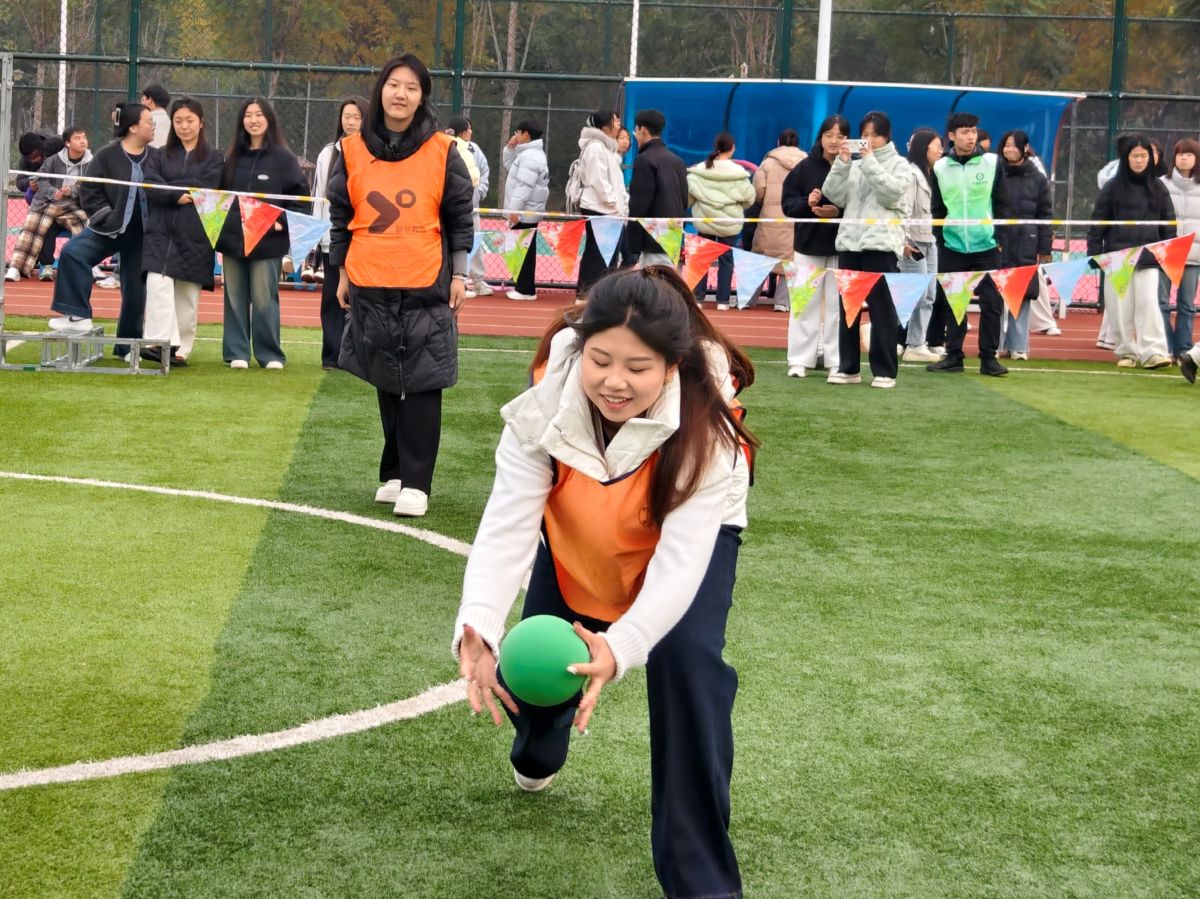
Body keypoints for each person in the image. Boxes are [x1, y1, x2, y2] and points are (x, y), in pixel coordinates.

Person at [454, 265, 757, 899]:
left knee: (688, 665)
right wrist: (478, 620)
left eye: (638, 368)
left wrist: (620, 648)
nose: (615, 382)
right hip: (579, 520)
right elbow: (509, 519)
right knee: (541, 665)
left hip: (684, 534)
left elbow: (680, 564)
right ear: (581, 346)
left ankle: (702, 881)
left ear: (671, 367)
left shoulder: (708, 429)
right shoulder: (544, 403)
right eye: (600, 360)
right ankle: (539, 747)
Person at [329, 53, 474, 518]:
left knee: (423, 378)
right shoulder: (350, 149)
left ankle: (417, 483)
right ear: (381, 90)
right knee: (385, 374)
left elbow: (459, 214)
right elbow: (340, 216)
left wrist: (460, 273)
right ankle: (394, 473)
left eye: (412, 87)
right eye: (394, 84)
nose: (401, 94)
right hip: (369, 278)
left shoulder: (443, 149)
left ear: (422, 96)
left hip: (426, 279)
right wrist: (342, 271)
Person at [48, 102, 157, 356]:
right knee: (72, 252)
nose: (153, 126)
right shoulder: (106, 155)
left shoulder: (157, 157)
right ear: (133, 127)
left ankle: (127, 348)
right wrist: (105, 216)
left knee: (135, 292)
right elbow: (89, 191)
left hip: (143, 235)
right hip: (109, 228)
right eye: (149, 122)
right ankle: (78, 315)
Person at [821, 110, 912, 389]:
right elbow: (833, 195)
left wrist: (869, 162)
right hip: (850, 242)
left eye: (873, 135)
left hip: (880, 244)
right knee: (848, 308)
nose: (867, 141)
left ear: (887, 137)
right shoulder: (855, 164)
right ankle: (848, 367)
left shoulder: (900, 164)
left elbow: (891, 194)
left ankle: (885, 371)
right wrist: (841, 164)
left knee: (881, 309)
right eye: (863, 135)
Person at [215, 97, 307, 370]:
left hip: (268, 243)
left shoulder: (284, 158)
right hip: (233, 240)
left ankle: (270, 354)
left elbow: (301, 199)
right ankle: (237, 352)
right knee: (234, 296)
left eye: (258, 114)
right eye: (248, 115)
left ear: (268, 119)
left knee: (264, 297)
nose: (253, 120)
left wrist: (281, 222)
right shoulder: (232, 157)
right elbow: (219, 197)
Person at [926, 111, 1011, 377]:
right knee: (955, 303)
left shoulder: (992, 162)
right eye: (964, 131)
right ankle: (954, 355)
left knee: (992, 304)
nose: (970, 136)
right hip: (952, 247)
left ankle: (989, 358)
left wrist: (999, 239)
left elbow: (1003, 204)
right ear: (951, 136)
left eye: (973, 131)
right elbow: (937, 209)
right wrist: (941, 239)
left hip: (987, 246)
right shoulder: (940, 167)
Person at [140, 97, 224, 367]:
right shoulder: (158, 154)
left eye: (189, 120)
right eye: (178, 121)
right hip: (160, 231)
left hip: (196, 234)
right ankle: (159, 342)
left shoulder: (215, 157)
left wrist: (170, 185)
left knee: (187, 297)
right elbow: (150, 184)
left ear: (201, 123)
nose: (184, 126)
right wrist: (177, 195)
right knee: (157, 284)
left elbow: (207, 185)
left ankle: (181, 350)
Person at [1086, 134, 1176, 369]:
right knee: (1119, 307)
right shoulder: (1111, 187)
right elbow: (1098, 221)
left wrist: (1169, 252)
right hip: (1116, 257)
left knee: (1149, 302)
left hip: (1149, 256)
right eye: (1134, 156)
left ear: (1151, 158)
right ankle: (1127, 352)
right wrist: (1094, 253)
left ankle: (1153, 352)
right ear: (1126, 158)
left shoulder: (1159, 188)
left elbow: (1168, 223)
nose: (1139, 160)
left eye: (1143, 156)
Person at [779, 114, 847, 378]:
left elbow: (860, 205)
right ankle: (799, 360)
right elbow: (787, 205)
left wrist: (837, 213)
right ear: (821, 137)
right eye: (829, 135)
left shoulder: (854, 167)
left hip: (842, 246)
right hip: (807, 246)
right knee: (804, 304)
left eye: (840, 136)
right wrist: (807, 203)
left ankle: (836, 360)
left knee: (837, 308)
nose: (834, 141)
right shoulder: (804, 167)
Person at [309, 96, 368, 369]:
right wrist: (319, 237)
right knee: (333, 298)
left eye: (357, 117)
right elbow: (319, 197)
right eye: (347, 116)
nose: (351, 122)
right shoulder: (327, 154)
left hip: (365, 239)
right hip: (334, 239)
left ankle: (360, 355)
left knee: (363, 299)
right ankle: (332, 356)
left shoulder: (373, 151)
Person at [6, 126, 92, 282]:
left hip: (70, 202)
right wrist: (30, 183)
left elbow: (90, 187)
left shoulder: (58, 147)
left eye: (36, 156)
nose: (34, 161)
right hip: (44, 199)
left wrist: (72, 190)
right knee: (32, 225)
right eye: (78, 138)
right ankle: (17, 266)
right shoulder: (31, 159)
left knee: (85, 224)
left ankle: (89, 266)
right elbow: (26, 180)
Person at [996, 129, 1052, 361]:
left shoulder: (1038, 178)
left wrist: (1045, 248)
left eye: (1013, 145)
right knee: (996, 296)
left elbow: (1045, 214)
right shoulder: (995, 174)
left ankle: (1018, 346)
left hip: (1026, 242)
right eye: (1006, 145)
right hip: (998, 242)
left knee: (1021, 295)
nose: (1009, 149)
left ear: (1025, 148)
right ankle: (996, 345)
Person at [688, 132, 756, 310]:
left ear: (715, 147)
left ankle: (698, 298)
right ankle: (723, 301)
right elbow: (749, 198)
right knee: (727, 261)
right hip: (729, 223)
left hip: (705, 220)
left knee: (702, 259)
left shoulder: (699, 170)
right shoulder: (739, 173)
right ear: (732, 148)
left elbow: (689, 197)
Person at [899, 128, 943, 363]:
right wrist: (904, 241)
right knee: (914, 294)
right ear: (924, 147)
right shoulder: (911, 174)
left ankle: (917, 343)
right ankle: (906, 342)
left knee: (929, 294)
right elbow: (904, 211)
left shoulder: (932, 174)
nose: (941, 150)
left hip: (930, 240)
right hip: (913, 242)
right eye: (937, 146)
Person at [752, 129, 806, 312]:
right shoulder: (806, 162)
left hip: (770, 217)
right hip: (794, 218)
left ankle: (748, 299)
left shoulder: (768, 162)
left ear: (778, 142)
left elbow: (758, 191)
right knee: (789, 261)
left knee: (760, 258)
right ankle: (782, 302)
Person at [574, 109, 628, 296]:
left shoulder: (607, 149)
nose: (619, 124)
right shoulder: (596, 147)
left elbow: (617, 183)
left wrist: (622, 204)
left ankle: (599, 296)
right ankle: (586, 295)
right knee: (597, 256)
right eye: (615, 121)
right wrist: (614, 203)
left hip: (610, 211)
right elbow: (598, 181)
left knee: (607, 257)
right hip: (600, 209)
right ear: (605, 126)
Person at [627, 109, 688, 267]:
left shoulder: (644, 160)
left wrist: (632, 239)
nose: (635, 135)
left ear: (643, 130)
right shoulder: (677, 161)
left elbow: (639, 203)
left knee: (653, 279)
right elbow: (684, 200)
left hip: (652, 237)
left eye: (635, 130)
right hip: (672, 235)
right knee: (668, 277)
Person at [501, 118, 549, 301]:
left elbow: (524, 186)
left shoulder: (530, 156)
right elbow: (510, 166)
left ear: (526, 134)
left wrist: (515, 211)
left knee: (525, 250)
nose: (515, 136)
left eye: (517, 133)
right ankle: (524, 286)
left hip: (525, 212)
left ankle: (525, 289)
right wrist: (510, 148)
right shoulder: (529, 154)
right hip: (527, 211)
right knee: (523, 249)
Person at [446, 115, 493, 297]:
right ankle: (459, 282)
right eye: (468, 129)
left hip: (471, 208)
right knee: (454, 243)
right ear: (462, 132)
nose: (471, 132)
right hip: (451, 208)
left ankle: (478, 281)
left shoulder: (474, 149)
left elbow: (483, 172)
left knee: (474, 243)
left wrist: (477, 194)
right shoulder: (445, 146)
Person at [1161, 138, 1199, 362]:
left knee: (1187, 305)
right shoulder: (1161, 184)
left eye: (1189, 154)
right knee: (1161, 302)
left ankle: (1184, 349)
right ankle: (1165, 346)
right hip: (1165, 253)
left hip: (1193, 255)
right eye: (1180, 154)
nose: (1184, 158)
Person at [140, 83, 171, 149]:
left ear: (150, 100)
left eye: (143, 100)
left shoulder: (145, 122)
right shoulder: (171, 122)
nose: (141, 104)